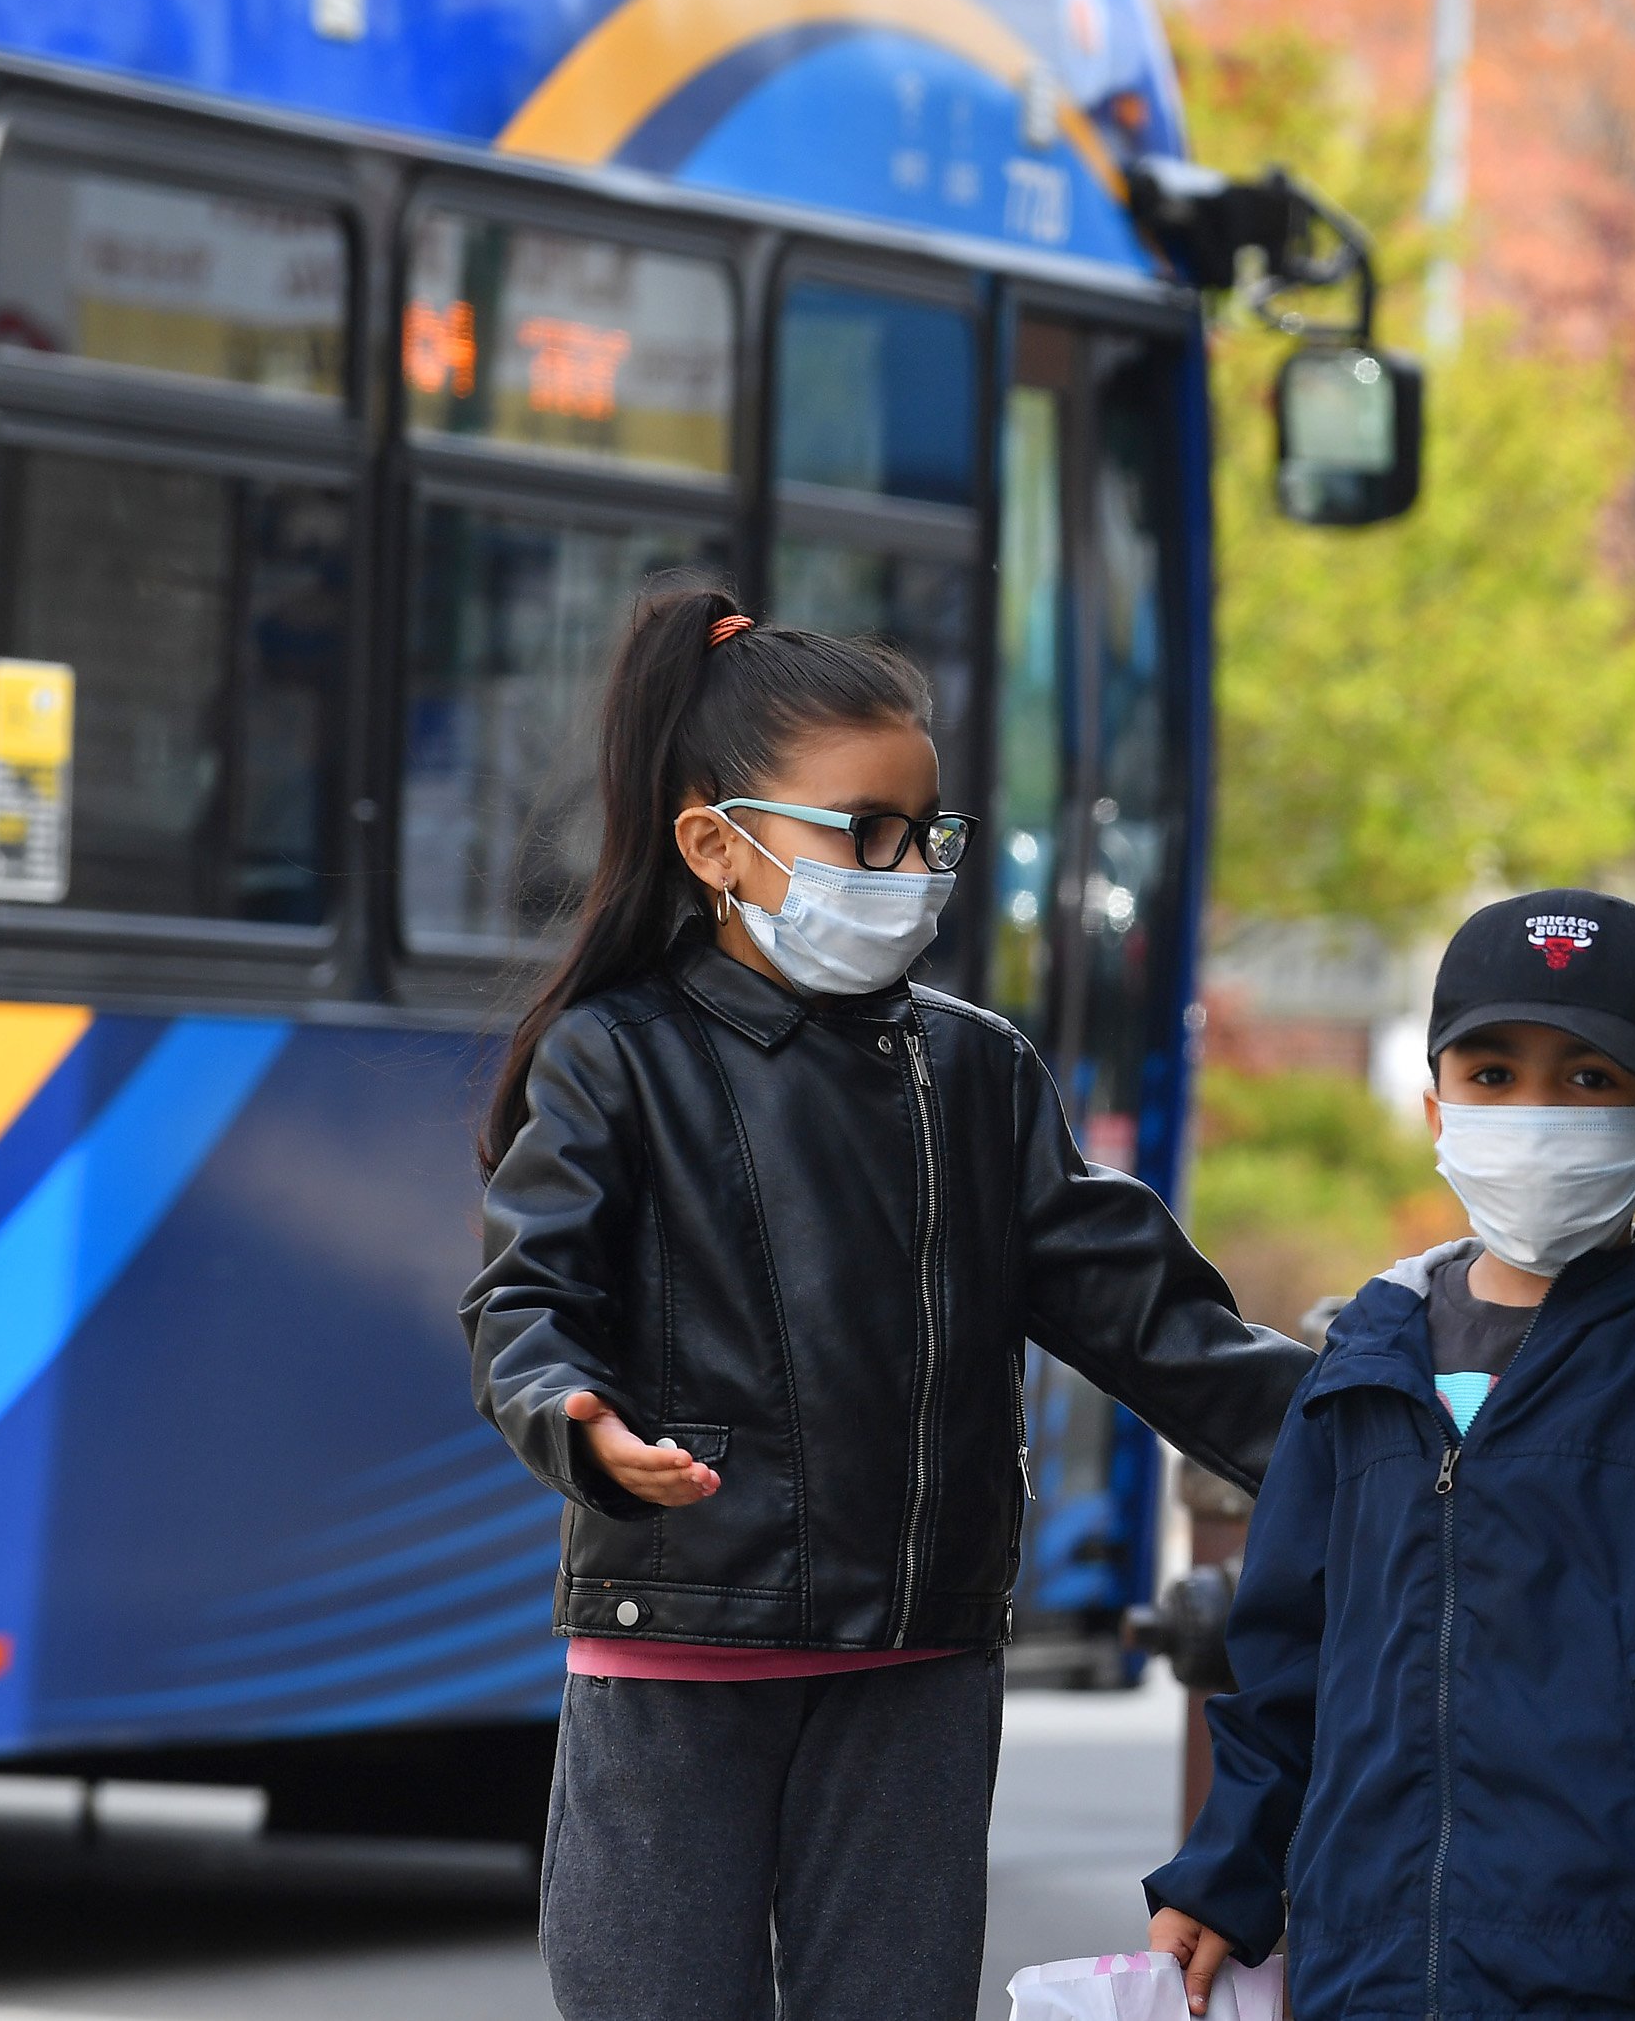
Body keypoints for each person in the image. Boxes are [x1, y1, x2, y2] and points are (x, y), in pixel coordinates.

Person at [462, 583, 1310, 2021]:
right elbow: (525, 1298)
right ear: (715, 846)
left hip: (918, 1654)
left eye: (931, 834)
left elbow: (1155, 1324)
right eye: (868, 834)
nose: (912, 869)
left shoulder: (980, 1074)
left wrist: (1379, 1423)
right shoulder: (616, 1056)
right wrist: (575, 1416)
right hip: (681, 1644)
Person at [1141, 889, 1635, 2019]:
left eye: (1589, 1079)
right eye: (1494, 1076)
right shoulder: (1365, 1356)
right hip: (1367, 1963)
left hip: (1617, 1961)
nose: (1537, 1110)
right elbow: (1281, 1664)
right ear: (1440, 1113)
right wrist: (1224, 1874)